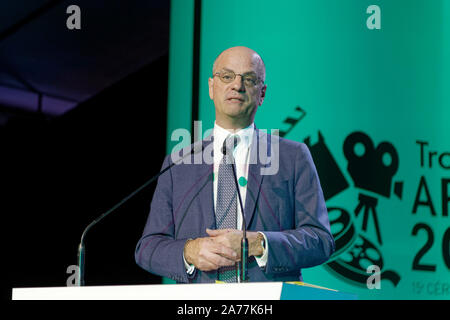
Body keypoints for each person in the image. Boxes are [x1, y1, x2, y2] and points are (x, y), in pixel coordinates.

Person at [135, 46, 335, 283]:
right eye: (227, 76)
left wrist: (260, 243)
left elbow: (321, 240)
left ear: (262, 93)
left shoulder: (293, 157)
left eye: (249, 79)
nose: (237, 86)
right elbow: (148, 247)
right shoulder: (178, 164)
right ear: (211, 87)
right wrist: (189, 251)